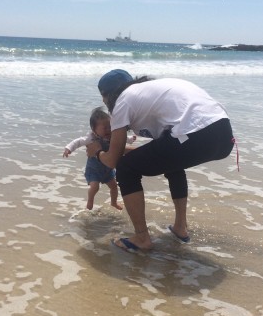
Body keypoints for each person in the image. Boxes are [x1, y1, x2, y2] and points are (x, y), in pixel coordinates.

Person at [86, 69, 235, 253]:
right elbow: (161, 151)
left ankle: (142, 238)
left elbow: (112, 161)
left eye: (103, 97)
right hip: (223, 135)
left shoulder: (122, 101)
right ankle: (180, 227)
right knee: (173, 163)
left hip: (195, 132)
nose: (104, 103)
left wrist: (97, 152)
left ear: (109, 95)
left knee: (125, 168)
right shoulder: (149, 93)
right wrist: (115, 151)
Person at [63, 107, 135, 210]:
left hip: (107, 170)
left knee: (114, 186)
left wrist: (130, 139)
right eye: (105, 128)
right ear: (94, 130)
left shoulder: (112, 135)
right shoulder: (91, 138)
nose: (108, 130)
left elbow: (122, 138)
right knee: (95, 187)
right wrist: (69, 149)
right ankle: (90, 200)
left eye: (110, 127)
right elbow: (78, 141)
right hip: (94, 171)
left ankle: (113, 202)